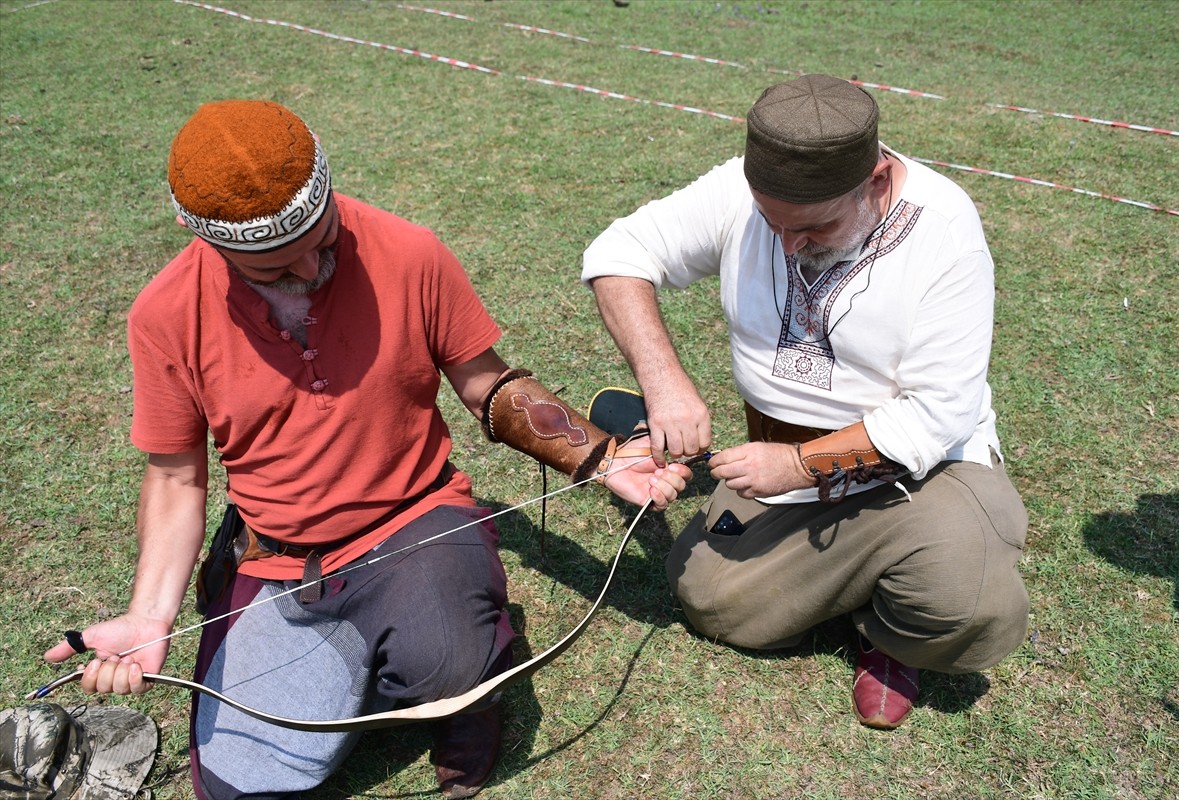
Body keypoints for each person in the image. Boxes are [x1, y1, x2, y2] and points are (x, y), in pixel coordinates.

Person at [41, 99, 691, 800]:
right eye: (279, 269)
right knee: (240, 786)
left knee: (449, 665)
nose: (315, 267)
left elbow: (484, 383)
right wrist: (149, 615)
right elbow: (174, 480)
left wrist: (598, 457)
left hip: (416, 519)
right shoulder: (165, 314)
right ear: (201, 238)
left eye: (323, 241)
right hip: (283, 559)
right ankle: (378, 663)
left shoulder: (408, 250)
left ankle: (446, 676)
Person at [582, 74, 1029, 730]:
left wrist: (795, 468)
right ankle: (858, 581)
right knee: (712, 600)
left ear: (876, 183)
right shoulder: (739, 189)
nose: (789, 245)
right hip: (776, 452)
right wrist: (665, 382)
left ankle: (888, 634)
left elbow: (937, 413)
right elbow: (619, 252)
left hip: (919, 473)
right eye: (773, 223)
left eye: (815, 227)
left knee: (968, 596)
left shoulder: (945, 230)